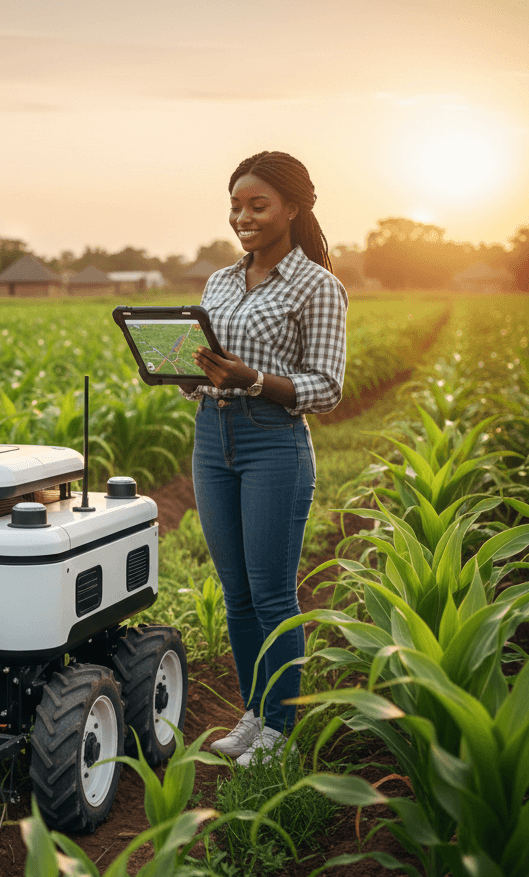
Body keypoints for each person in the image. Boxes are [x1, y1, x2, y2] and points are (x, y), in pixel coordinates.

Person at [182, 151, 347, 766]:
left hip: (273, 440)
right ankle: (255, 713)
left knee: (273, 593)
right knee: (237, 592)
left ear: (292, 209)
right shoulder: (219, 282)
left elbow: (327, 388)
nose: (243, 217)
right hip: (211, 435)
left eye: (258, 205)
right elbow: (212, 362)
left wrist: (256, 379)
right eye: (236, 206)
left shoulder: (318, 286)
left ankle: (280, 728)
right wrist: (189, 375)